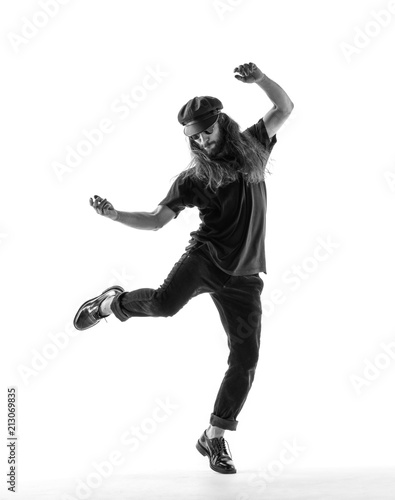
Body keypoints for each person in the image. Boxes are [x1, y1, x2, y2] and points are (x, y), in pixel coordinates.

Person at [73, 62, 294, 474]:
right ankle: (110, 304)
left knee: (245, 359)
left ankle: (214, 438)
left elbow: (284, 106)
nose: (203, 142)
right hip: (206, 259)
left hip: (245, 275)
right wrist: (116, 214)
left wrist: (261, 79)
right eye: (195, 138)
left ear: (221, 123)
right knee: (162, 305)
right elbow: (157, 220)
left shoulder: (254, 146)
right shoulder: (193, 178)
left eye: (207, 132)